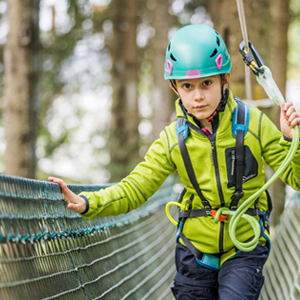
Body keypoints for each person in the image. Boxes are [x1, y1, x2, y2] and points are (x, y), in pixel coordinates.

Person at [49, 24, 300, 299]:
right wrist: (88, 203)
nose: (198, 96)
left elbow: (296, 179)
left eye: (207, 83)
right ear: (174, 87)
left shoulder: (254, 124)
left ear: (224, 78)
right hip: (195, 248)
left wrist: (291, 142)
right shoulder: (173, 139)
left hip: (245, 244)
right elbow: (136, 188)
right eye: (187, 86)